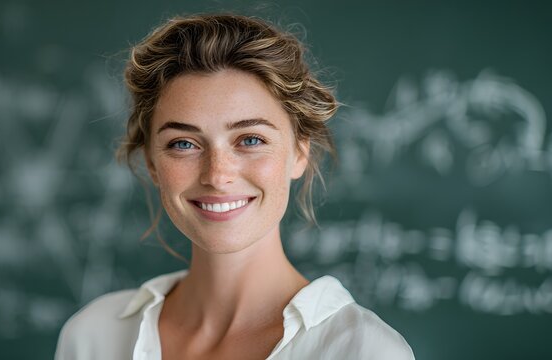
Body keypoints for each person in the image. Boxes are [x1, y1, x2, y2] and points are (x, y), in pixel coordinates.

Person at [55, 13, 414, 360]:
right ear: (152, 162)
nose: (217, 174)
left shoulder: (365, 352)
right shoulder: (92, 337)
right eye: (183, 144)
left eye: (251, 140)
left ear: (299, 152)